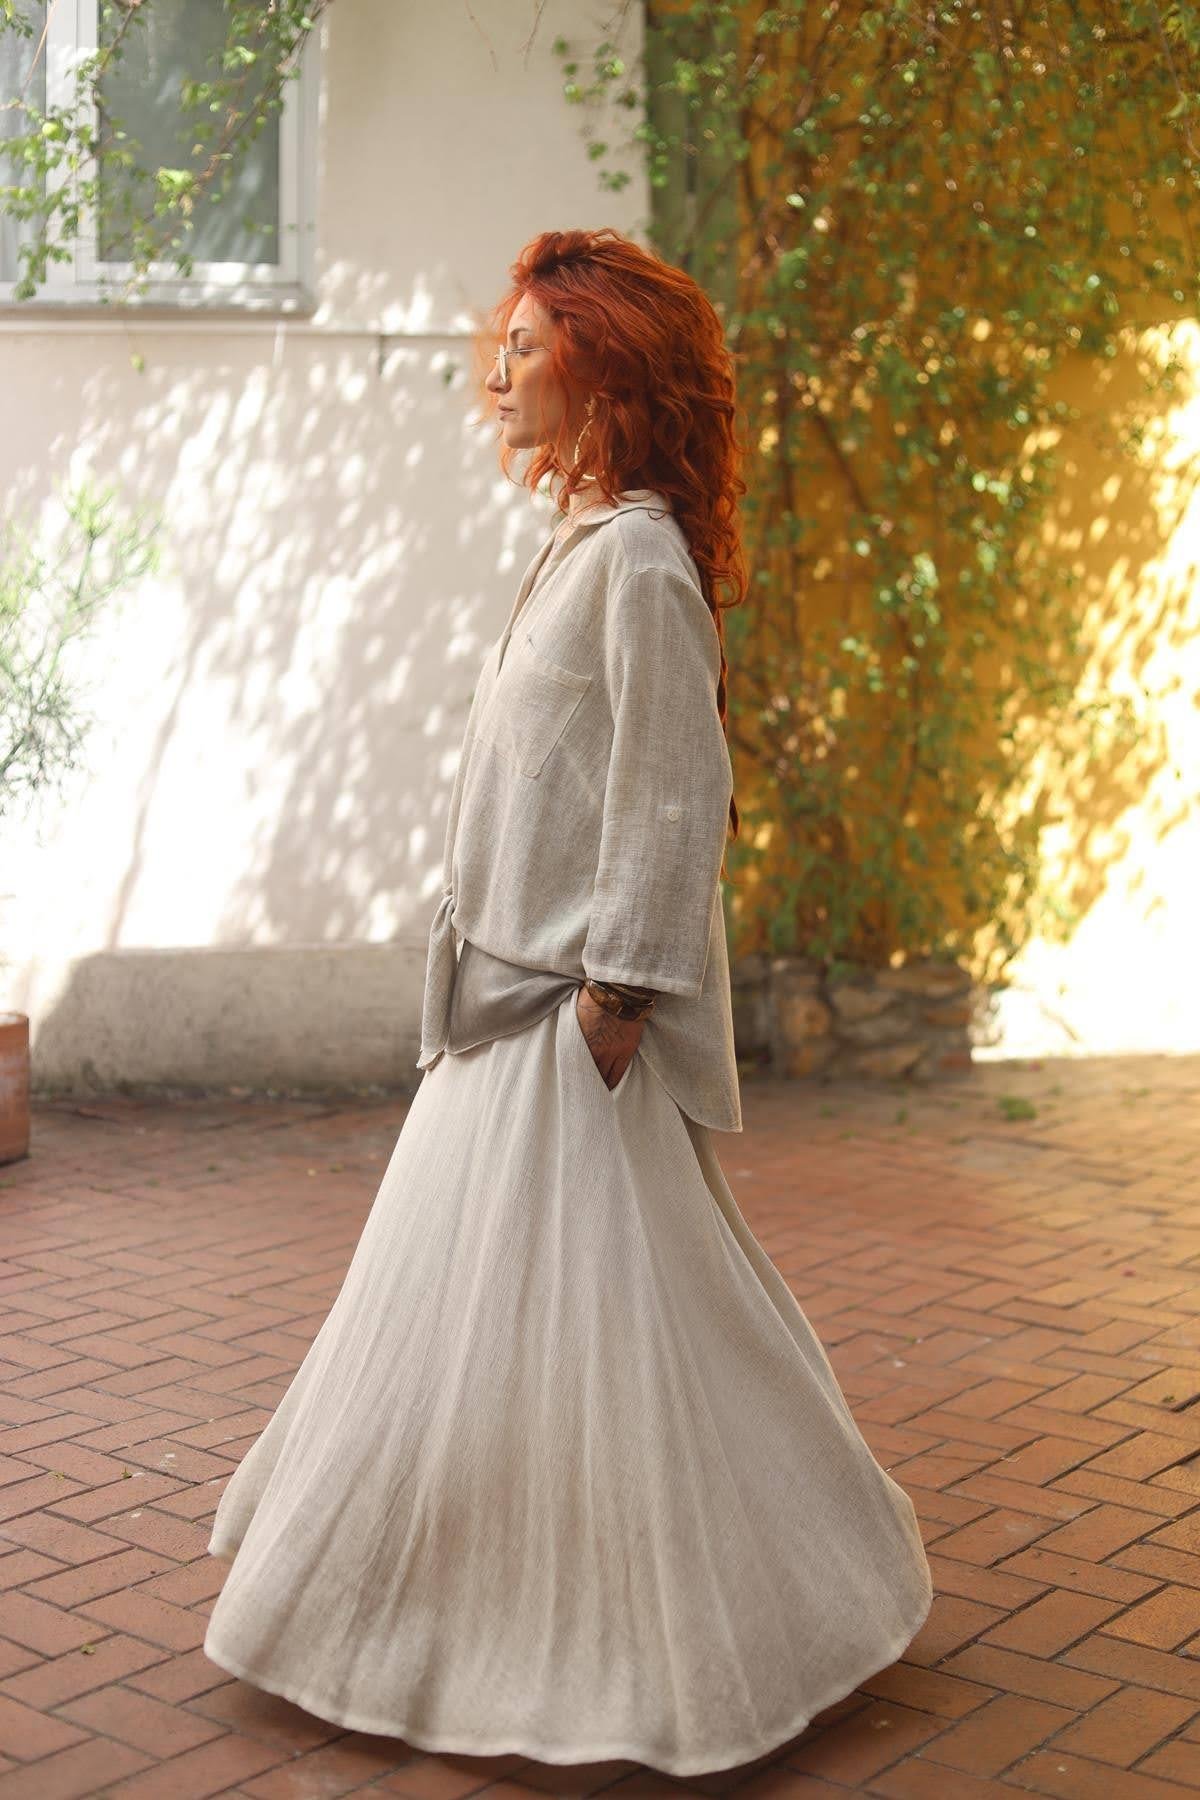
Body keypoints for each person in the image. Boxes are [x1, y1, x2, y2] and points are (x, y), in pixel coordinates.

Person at [203, 227, 933, 1777]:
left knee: (637, 1337)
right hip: (502, 1020)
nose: (497, 371)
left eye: (526, 347)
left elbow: (672, 795)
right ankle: (444, 1607)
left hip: (566, 1032)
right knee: (505, 1333)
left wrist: (614, 1003)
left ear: (602, 375)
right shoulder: (584, 545)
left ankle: (687, 1622)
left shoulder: (644, 568)